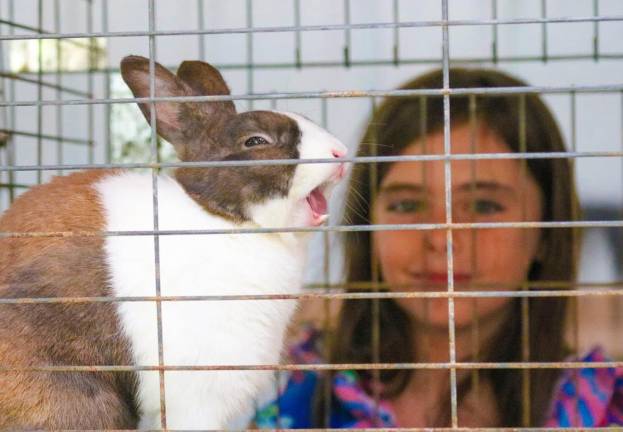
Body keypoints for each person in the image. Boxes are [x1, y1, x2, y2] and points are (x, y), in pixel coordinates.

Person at [255, 68, 623, 428]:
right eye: (407, 205)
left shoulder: (605, 411)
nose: (443, 236)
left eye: (483, 206)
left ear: (546, 230)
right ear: (369, 228)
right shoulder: (302, 406)